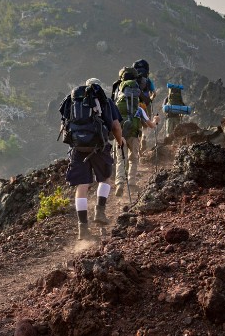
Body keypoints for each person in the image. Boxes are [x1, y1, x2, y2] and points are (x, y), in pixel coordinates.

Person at [60, 79, 124, 240]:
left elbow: (64, 126)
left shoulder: (72, 102)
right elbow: (116, 126)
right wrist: (120, 141)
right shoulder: (105, 101)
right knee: (105, 179)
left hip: (77, 148)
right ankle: (100, 211)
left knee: (82, 186)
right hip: (99, 146)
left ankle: (83, 229)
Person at [113, 71, 160, 197]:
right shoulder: (139, 107)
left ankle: (120, 183)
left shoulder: (116, 105)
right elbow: (150, 125)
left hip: (120, 136)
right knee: (133, 159)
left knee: (120, 160)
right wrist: (156, 121)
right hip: (134, 134)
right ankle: (132, 183)